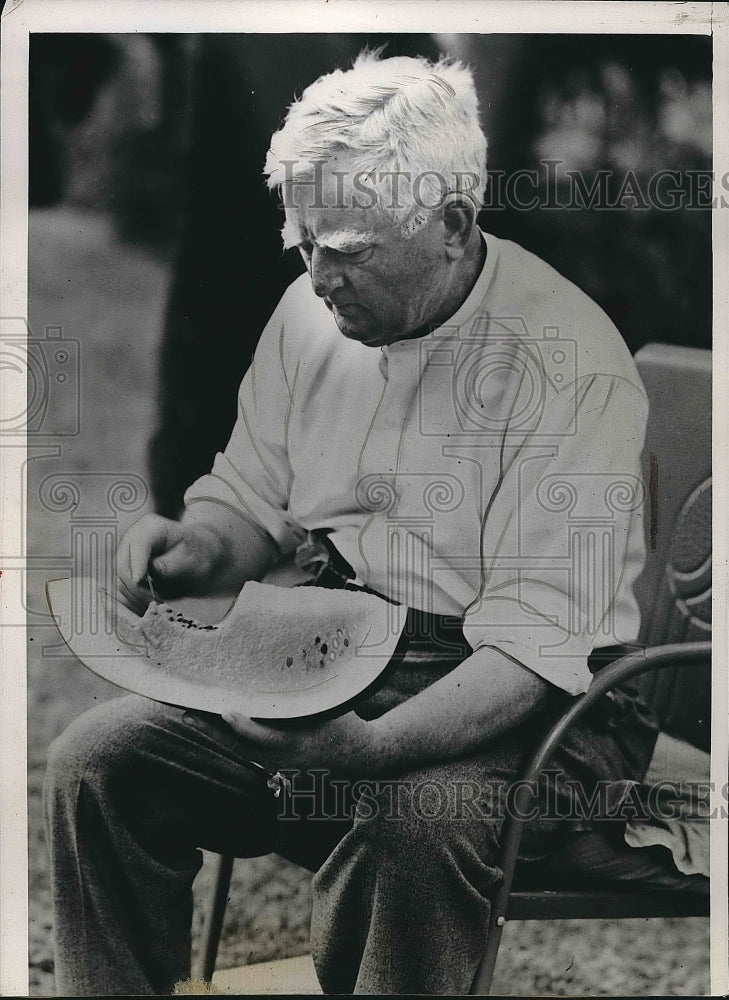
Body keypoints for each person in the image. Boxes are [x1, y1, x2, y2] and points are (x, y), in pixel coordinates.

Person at [45, 51, 663, 996]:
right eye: (302, 243)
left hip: (545, 704)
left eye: (348, 249)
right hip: (348, 655)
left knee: (410, 820)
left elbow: (534, 649)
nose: (318, 277)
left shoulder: (569, 363)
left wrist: (368, 754)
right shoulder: (309, 314)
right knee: (99, 762)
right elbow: (252, 496)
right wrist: (195, 545)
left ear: (451, 223)